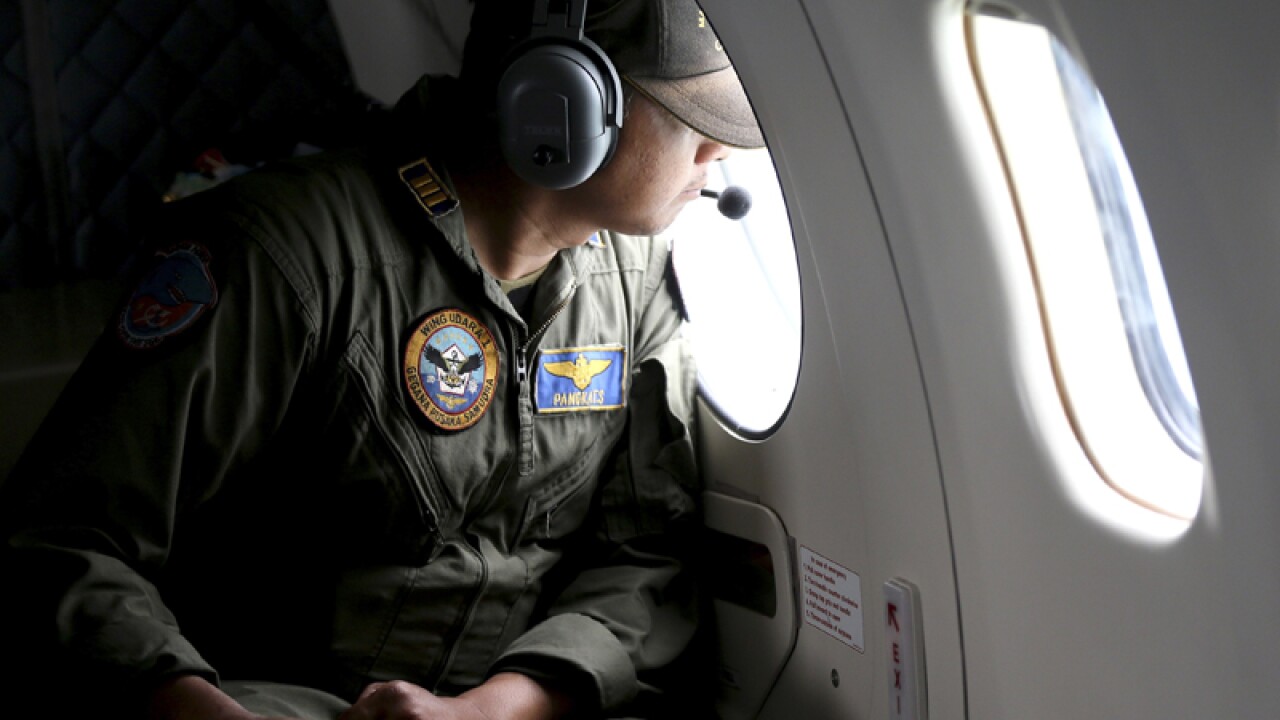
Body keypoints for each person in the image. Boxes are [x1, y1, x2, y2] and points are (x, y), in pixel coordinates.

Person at [0, 0, 764, 718]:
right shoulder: (280, 256)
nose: (717, 148)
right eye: (687, 114)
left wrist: (501, 706)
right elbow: (59, 541)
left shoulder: (636, 283)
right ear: (557, 100)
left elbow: (644, 553)